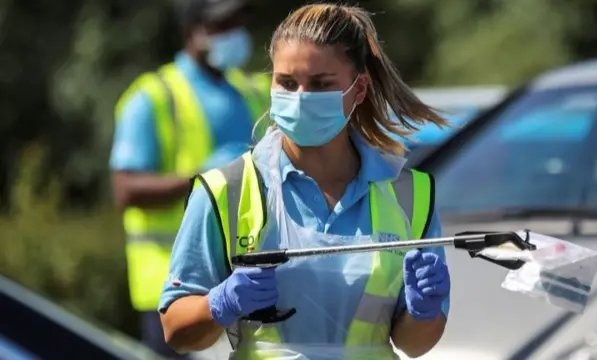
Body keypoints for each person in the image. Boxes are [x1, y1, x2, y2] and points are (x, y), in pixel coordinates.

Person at [158, 3, 451, 359]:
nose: (299, 98)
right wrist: (220, 303)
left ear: (358, 90)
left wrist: (425, 311)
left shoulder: (410, 195)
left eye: (320, 84)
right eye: (286, 82)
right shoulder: (225, 190)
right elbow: (177, 331)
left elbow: (414, 344)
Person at [109, 0, 266, 357]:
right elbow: (124, 189)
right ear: (192, 30)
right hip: (175, 291)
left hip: (246, 285)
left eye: (238, 22)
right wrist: (203, 181)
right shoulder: (151, 97)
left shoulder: (253, 93)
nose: (235, 33)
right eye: (223, 25)